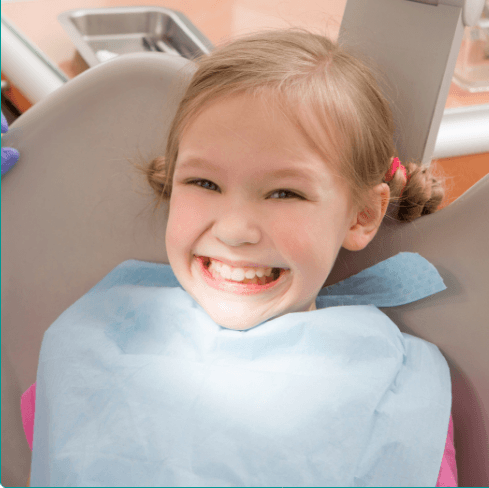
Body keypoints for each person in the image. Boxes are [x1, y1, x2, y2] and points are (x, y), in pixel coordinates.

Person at [23, 29, 456, 486]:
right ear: (173, 181)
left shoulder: (394, 390)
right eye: (205, 183)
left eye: (284, 192)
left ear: (362, 216)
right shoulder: (94, 342)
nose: (233, 230)